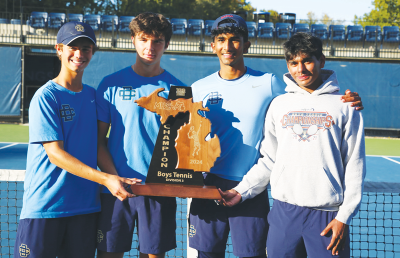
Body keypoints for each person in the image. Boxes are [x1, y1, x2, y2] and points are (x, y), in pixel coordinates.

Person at [188, 15, 364, 258]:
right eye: (221, 40)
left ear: (246, 45)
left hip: (290, 202)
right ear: (213, 45)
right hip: (217, 187)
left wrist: (347, 99)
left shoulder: (271, 85)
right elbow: (188, 138)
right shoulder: (198, 88)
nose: (300, 69)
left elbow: (354, 165)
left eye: (235, 40)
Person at [14, 21, 136, 258]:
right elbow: (55, 154)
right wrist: (106, 179)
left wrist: (116, 177)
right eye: (73, 46)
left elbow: (98, 145)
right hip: (46, 208)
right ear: (59, 49)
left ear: (93, 52)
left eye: (86, 48)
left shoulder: (94, 96)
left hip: (85, 209)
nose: (79, 53)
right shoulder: (46, 97)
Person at [96, 12, 185, 258]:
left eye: (157, 41)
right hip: (114, 191)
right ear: (133, 39)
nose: (150, 47)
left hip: (158, 192)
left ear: (166, 44)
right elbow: (98, 141)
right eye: (144, 39)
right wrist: (114, 179)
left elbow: (180, 147)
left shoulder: (177, 91)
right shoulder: (110, 85)